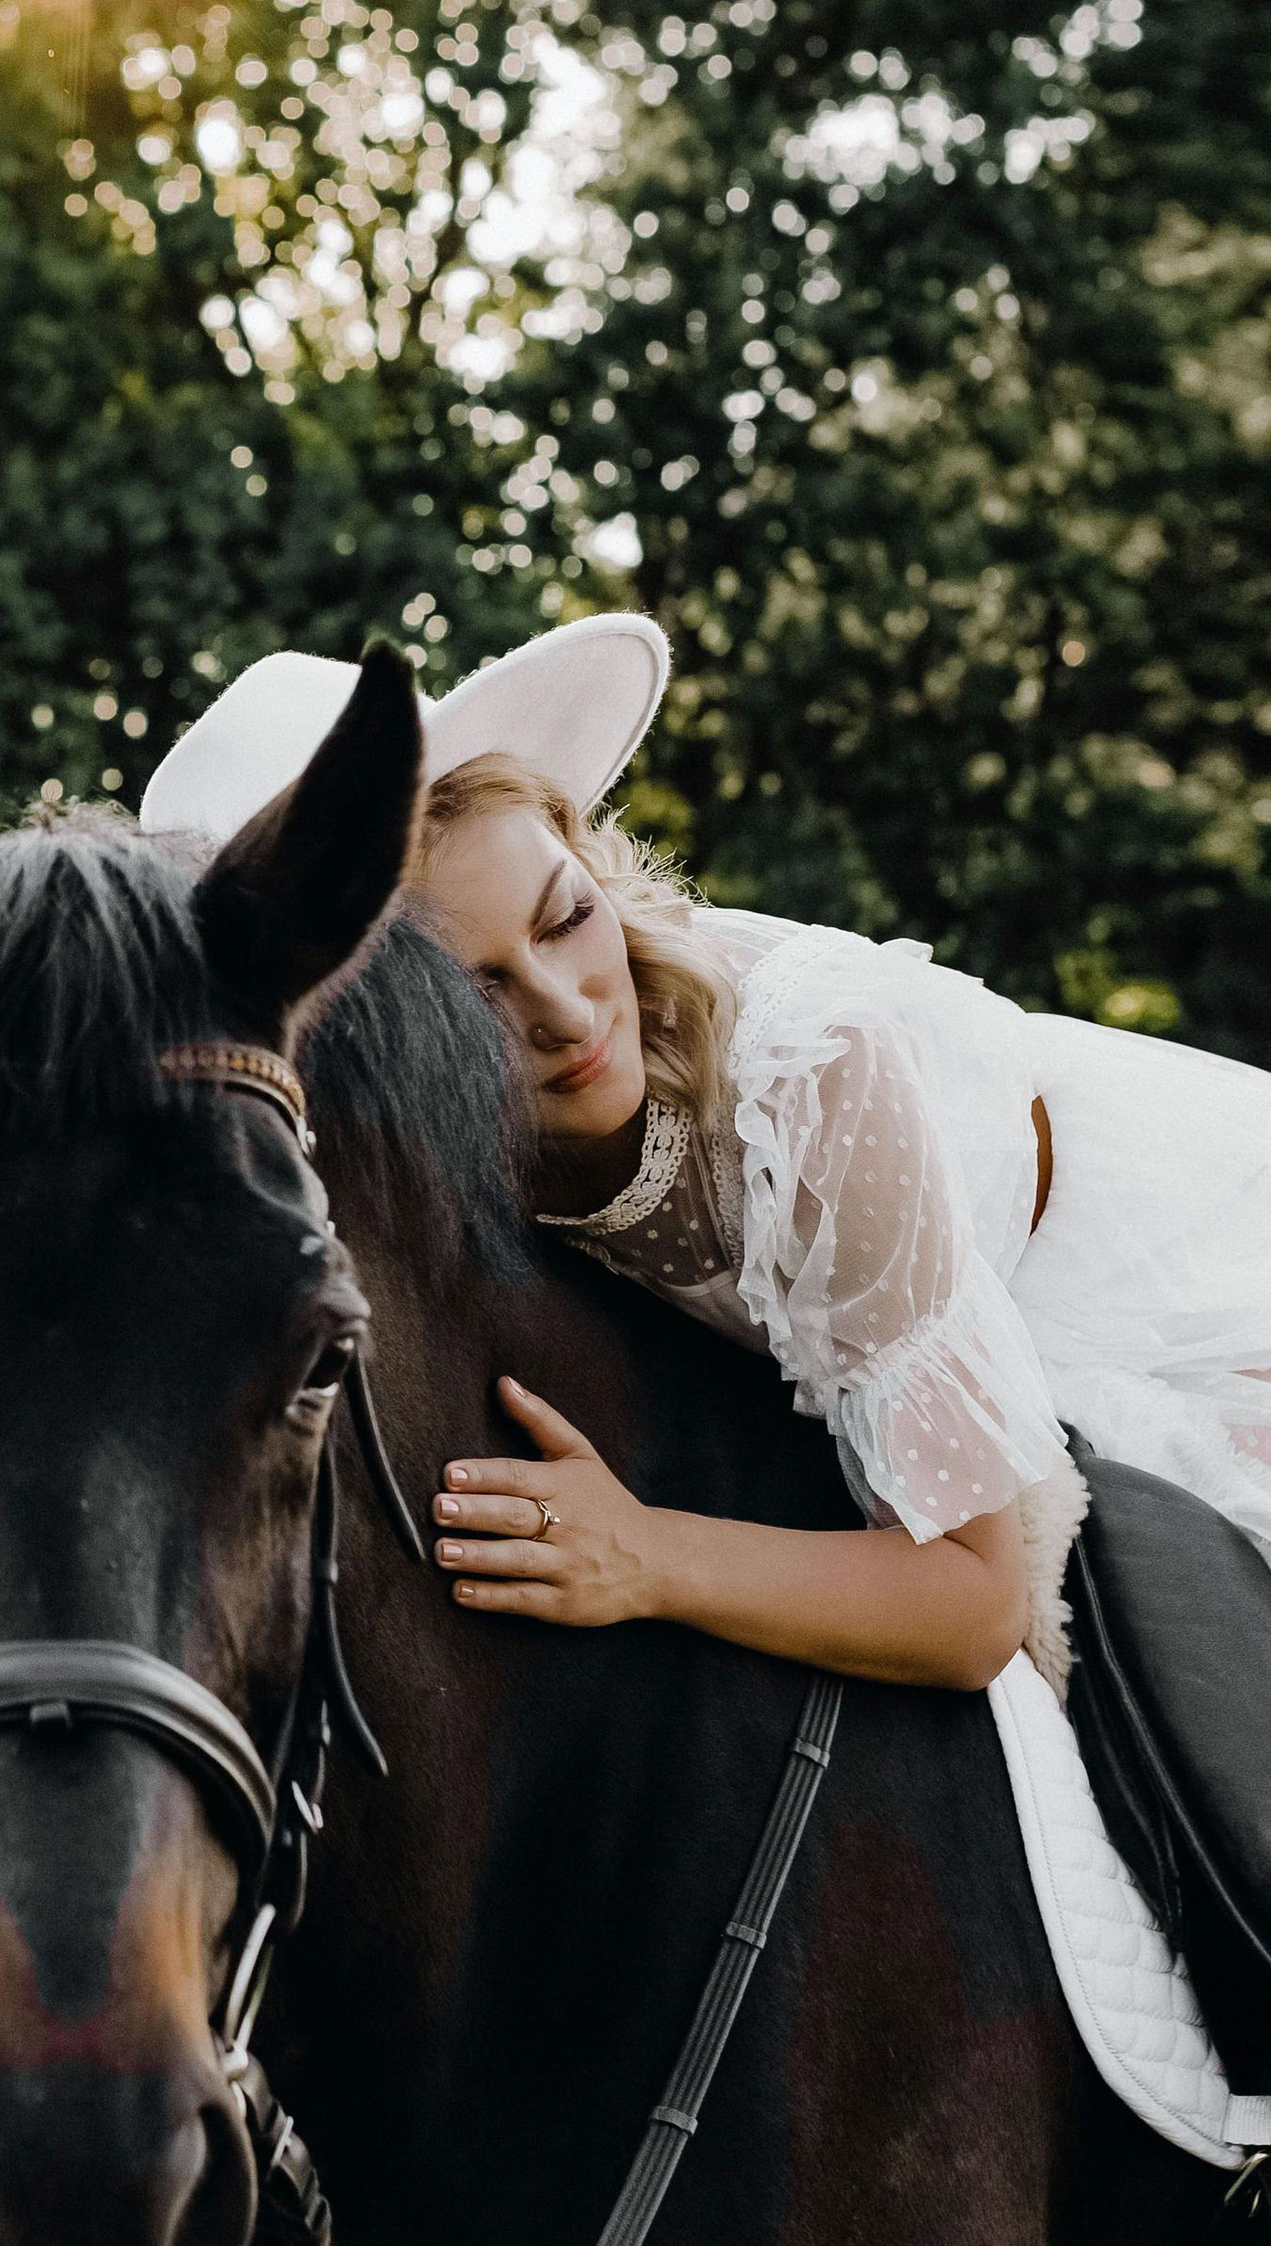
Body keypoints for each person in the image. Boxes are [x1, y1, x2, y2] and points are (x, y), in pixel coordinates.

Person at [141, 624, 1271, 1697]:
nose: (565, 1013)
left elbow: (979, 1605)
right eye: (476, 991)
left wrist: (643, 1555)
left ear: (587, 858)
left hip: (1112, 1284)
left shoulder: (807, 1075)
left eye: (563, 917)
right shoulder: (381, 1152)